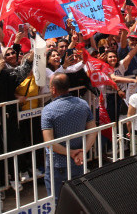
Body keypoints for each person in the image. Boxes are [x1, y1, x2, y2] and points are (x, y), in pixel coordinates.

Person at [40, 73, 96, 203]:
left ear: (53, 89)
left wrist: (71, 153)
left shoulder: (48, 110)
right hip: (79, 162)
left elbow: (49, 142)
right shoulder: (83, 104)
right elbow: (93, 131)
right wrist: (83, 152)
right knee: (79, 200)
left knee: (57, 203)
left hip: (57, 165)